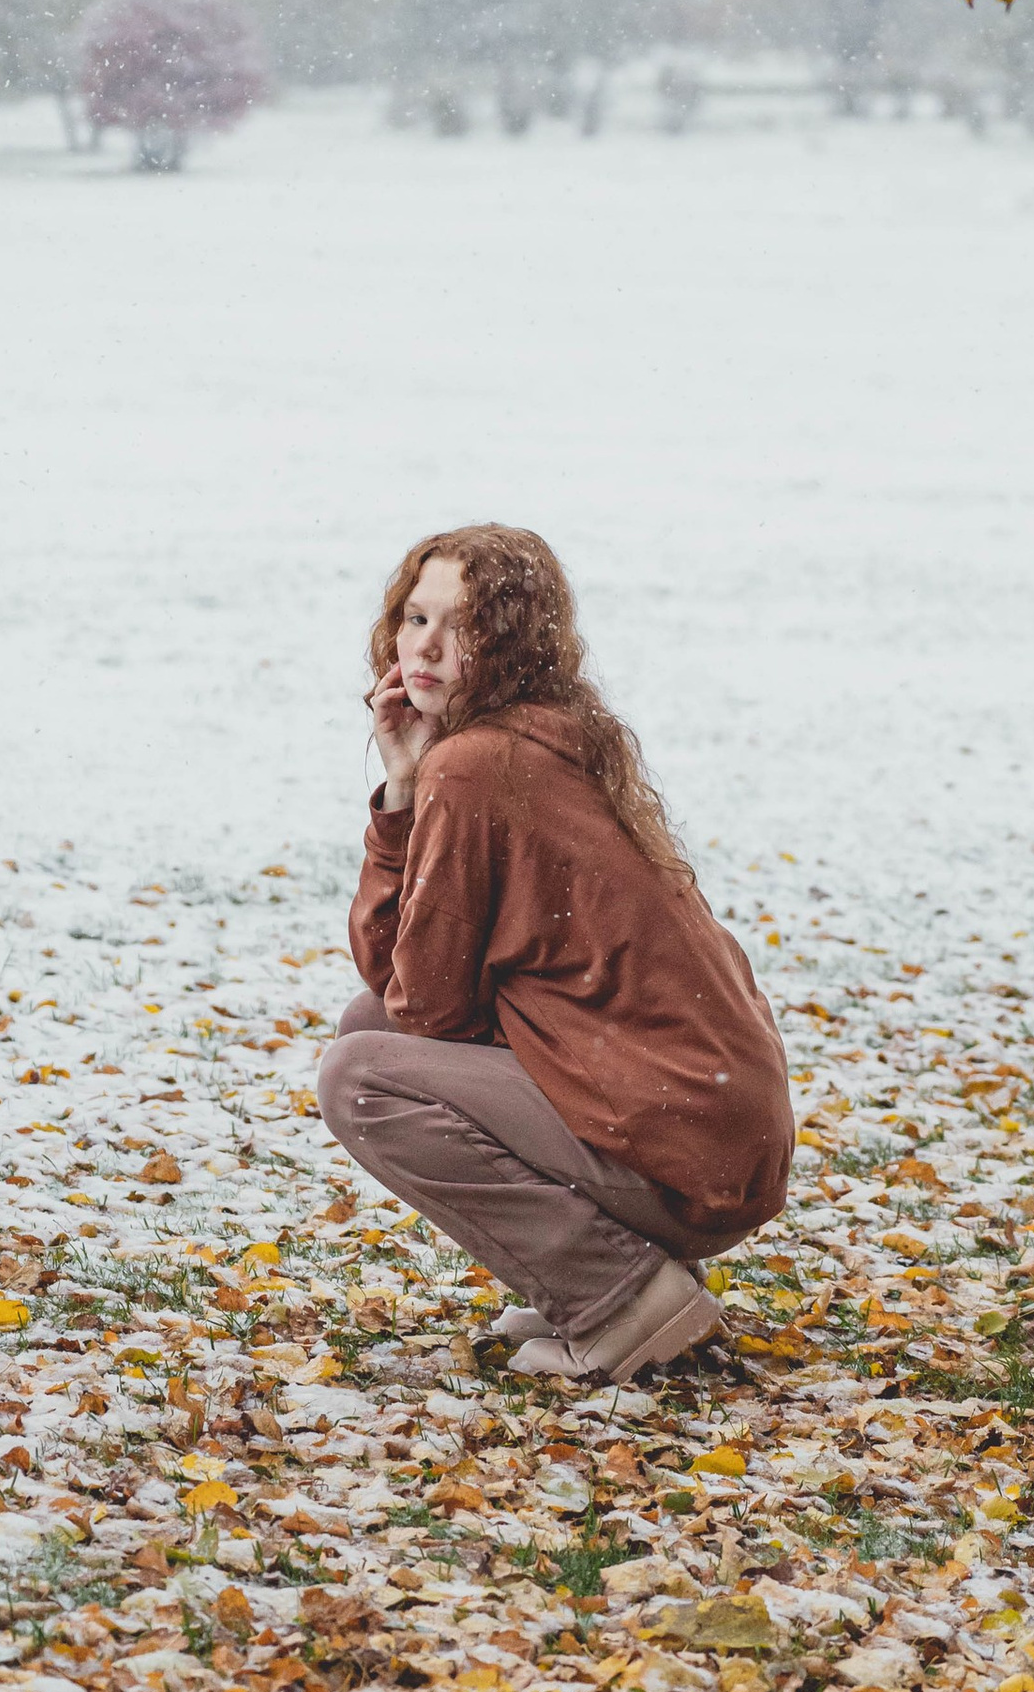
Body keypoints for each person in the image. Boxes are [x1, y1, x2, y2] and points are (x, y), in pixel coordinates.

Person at [315, 525, 794, 1383]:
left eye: (459, 625)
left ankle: (621, 1296)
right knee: (367, 1026)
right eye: (414, 618)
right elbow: (396, 991)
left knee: (359, 1076)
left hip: (680, 1149)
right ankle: (602, 1268)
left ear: (509, 640)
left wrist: (417, 795)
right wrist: (399, 791)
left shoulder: (477, 764)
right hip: (713, 1132)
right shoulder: (545, 736)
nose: (424, 646)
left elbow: (427, 1007)